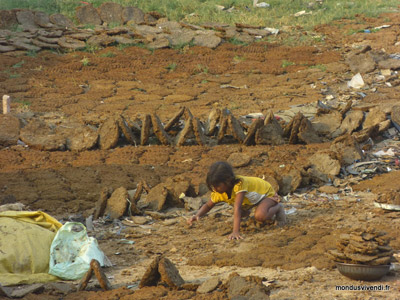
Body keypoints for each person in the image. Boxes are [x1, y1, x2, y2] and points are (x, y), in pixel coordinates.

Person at [187, 161, 286, 240]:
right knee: (241, 213)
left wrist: (235, 231)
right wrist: (197, 215)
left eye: (217, 185)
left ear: (228, 181)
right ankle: (250, 211)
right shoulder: (218, 192)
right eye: (213, 186)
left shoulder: (239, 185)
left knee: (260, 216)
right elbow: (208, 205)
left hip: (266, 194)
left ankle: (278, 208)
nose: (215, 189)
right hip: (250, 201)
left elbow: (237, 208)